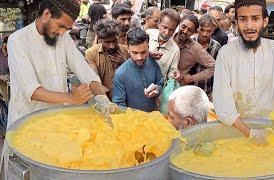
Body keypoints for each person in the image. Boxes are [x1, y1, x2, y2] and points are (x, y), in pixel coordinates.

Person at [3, 0, 116, 176]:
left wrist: (102, 98)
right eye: (61, 26)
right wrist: (71, 98)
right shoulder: (18, 41)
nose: (62, 32)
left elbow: (83, 69)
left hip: (57, 125)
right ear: (46, 14)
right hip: (26, 125)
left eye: (66, 29)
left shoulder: (62, 38)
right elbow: (32, 91)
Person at [213, 0, 274, 145]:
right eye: (243, 19)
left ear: (265, 21)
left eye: (255, 18)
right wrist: (251, 134)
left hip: (272, 131)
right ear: (236, 22)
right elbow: (223, 106)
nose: (249, 26)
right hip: (236, 133)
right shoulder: (225, 54)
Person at [112, 27, 163, 112]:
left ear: (148, 47)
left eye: (143, 52)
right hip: (132, 121)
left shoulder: (153, 63)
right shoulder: (120, 74)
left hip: (153, 117)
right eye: (135, 53)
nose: (139, 57)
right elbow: (119, 104)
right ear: (128, 49)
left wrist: (157, 90)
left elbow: (160, 83)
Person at [85, 19, 129, 99]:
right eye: (107, 42)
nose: (112, 46)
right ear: (99, 39)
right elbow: (95, 82)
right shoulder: (91, 54)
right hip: (103, 100)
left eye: (114, 41)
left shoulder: (127, 51)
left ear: (118, 36)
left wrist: (125, 63)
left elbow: (135, 77)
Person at [173, 14, 215, 86]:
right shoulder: (168, 36)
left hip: (176, 88)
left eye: (190, 30)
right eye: (183, 27)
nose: (185, 31)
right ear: (179, 24)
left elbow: (214, 67)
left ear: (194, 32)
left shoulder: (195, 48)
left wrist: (192, 78)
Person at [190, 14, 221, 101]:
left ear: (213, 30)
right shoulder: (189, 42)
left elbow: (217, 72)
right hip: (187, 89)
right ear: (198, 29)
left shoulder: (216, 47)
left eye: (208, 31)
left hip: (206, 91)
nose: (205, 34)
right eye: (202, 30)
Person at [146, 8, 181, 82]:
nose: (167, 33)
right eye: (164, 27)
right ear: (158, 24)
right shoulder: (148, 34)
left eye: (171, 30)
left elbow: (172, 72)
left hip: (157, 87)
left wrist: (174, 75)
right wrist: (147, 54)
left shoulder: (175, 50)